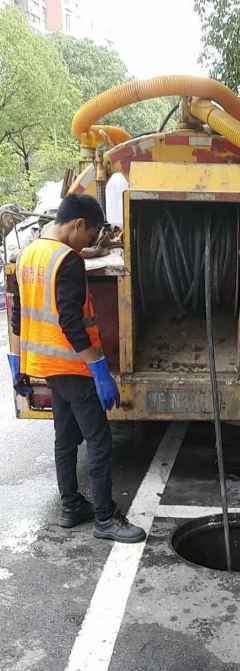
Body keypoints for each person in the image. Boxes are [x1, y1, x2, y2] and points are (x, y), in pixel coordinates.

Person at [7, 194, 146, 544]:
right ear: (78, 224)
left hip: (46, 366)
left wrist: (18, 366)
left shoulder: (27, 254)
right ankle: (104, 518)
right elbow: (71, 322)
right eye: (92, 233)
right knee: (99, 441)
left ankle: (72, 506)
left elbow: (17, 315)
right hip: (73, 367)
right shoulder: (66, 260)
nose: (89, 242)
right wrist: (99, 370)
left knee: (66, 439)